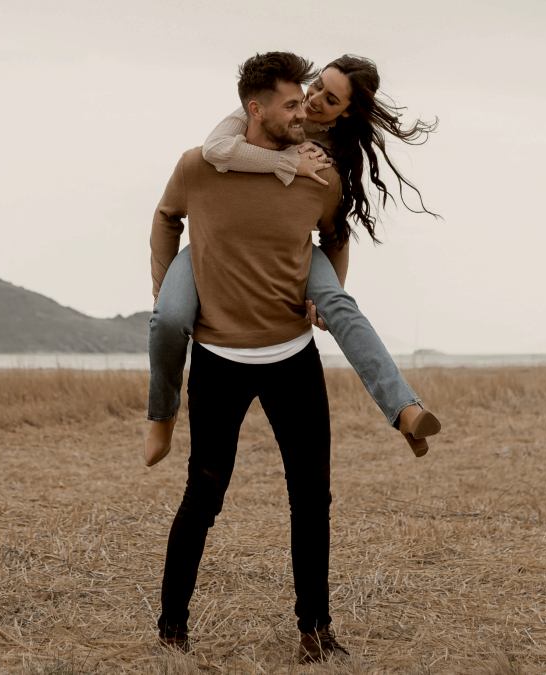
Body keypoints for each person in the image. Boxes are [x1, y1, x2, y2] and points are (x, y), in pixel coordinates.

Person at [146, 54, 441, 467]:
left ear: (346, 113)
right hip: (221, 242)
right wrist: (287, 160)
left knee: (341, 306)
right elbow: (217, 149)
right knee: (168, 316)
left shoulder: (332, 155)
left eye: (330, 98)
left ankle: (405, 410)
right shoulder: (271, 110)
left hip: (292, 247)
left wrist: (325, 294)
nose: (314, 100)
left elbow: (335, 232)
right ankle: (161, 413)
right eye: (316, 86)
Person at [149, 51, 349, 663]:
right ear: (254, 109)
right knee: (204, 494)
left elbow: (336, 234)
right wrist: (166, 294)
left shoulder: (318, 175)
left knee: (312, 498)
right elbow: (165, 217)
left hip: (293, 356)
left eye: (306, 100)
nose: (304, 112)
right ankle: (172, 630)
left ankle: (314, 632)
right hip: (219, 359)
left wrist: (326, 294)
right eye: (291, 104)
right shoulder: (199, 167)